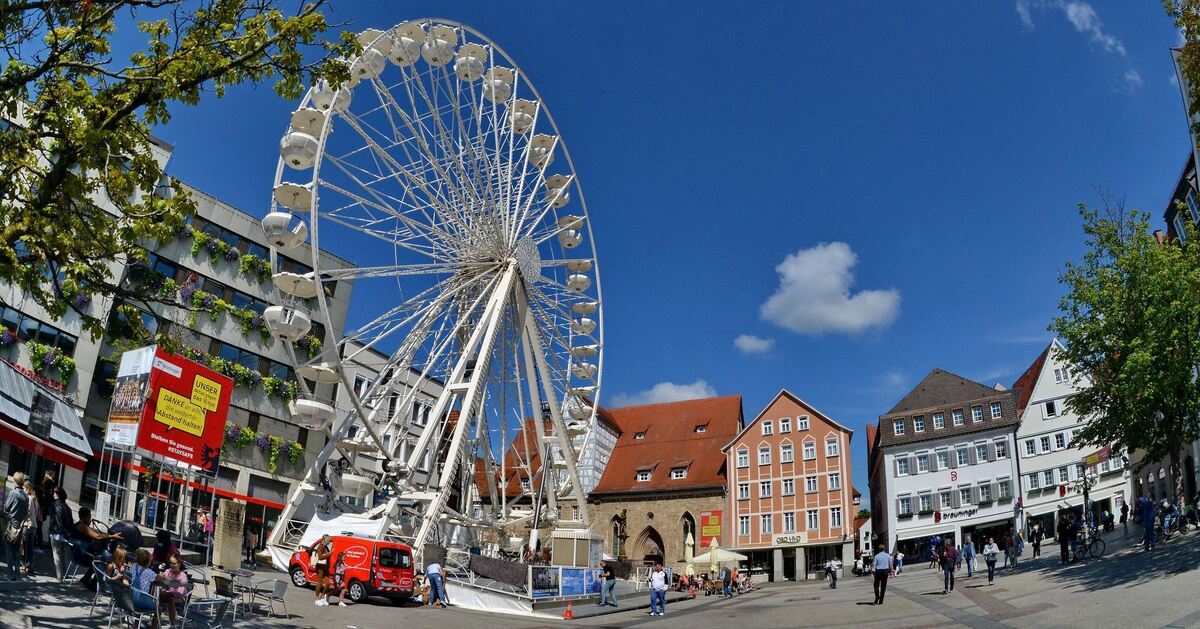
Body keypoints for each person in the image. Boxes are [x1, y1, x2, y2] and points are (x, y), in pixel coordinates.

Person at [72, 507, 119, 589]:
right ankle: (94, 584)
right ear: (85, 517)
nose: (90, 519)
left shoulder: (78, 525)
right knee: (103, 560)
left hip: (79, 552)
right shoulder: (82, 526)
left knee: (101, 558)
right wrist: (113, 536)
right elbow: (98, 536)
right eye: (89, 517)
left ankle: (86, 579)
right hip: (81, 555)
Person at [3, 471, 30, 581]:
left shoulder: (14, 493)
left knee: (9, 550)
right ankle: (17, 575)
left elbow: (6, 508)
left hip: (12, 525)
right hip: (20, 526)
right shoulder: (26, 495)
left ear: (15, 480)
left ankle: (10, 574)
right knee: (16, 552)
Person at [156, 551, 189, 628]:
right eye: (170, 563)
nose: (172, 565)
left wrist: (169, 591)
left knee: (170, 599)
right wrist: (159, 578)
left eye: (174, 563)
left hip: (180, 597)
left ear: (179, 564)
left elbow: (180, 592)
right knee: (158, 596)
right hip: (167, 594)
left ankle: (173, 625)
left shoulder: (182, 576)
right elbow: (162, 582)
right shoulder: (167, 571)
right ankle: (155, 622)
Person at [47, 487, 73, 581]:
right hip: (65, 534)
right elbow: (70, 523)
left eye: (55, 493)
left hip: (56, 533)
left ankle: (59, 576)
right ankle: (64, 574)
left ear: (59, 494)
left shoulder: (56, 505)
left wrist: (55, 531)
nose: (53, 494)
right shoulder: (67, 507)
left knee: (57, 555)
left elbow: (57, 521)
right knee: (62, 555)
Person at [127, 549, 158, 615]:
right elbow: (159, 578)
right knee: (159, 609)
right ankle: (153, 626)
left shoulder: (134, 566)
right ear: (148, 562)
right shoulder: (149, 572)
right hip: (142, 600)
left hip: (131, 598)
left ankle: (136, 623)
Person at [20, 479, 38, 575]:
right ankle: (30, 566)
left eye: (23, 488)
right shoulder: (35, 499)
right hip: (34, 526)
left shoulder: (29, 498)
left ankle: (24, 565)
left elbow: (28, 512)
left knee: (24, 546)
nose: (23, 490)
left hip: (27, 525)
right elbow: (37, 514)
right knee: (30, 547)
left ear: (27, 488)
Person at [35, 472, 55, 550]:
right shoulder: (50, 495)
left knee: (38, 528)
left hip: (39, 513)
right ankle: (39, 543)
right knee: (39, 528)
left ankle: (38, 543)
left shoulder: (43, 493)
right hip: (43, 514)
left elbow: (40, 502)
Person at [312, 534, 333, 606]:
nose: (329, 541)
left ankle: (322, 597)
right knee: (320, 583)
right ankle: (317, 599)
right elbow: (320, 557)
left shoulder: (325, 547)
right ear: (325, 540)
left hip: (325, 566)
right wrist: (329, 554)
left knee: (328, 583)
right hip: (320, 566)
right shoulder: (320, 546)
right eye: (329, 540)